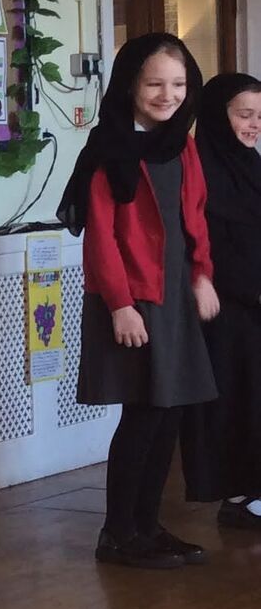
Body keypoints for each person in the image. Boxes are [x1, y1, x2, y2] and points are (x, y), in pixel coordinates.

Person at [59, 31, 219, 568]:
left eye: (178, 84)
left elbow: (195, 219)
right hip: (133, 299)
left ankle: (148, 526)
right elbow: (102, 239)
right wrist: (120, 304)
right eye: (154, 84)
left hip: (176, 296)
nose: (167, 95)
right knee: (144, 413)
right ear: (130, 85)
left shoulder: (183, 146)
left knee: (171, 411)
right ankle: (118, 533)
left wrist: (203, 275)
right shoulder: (110, 149)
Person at [180, 73, 261, 529]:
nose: (254, 126)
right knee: (235, 402)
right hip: (225, 308)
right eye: (245, 115)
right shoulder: (199, 170)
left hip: (253, 306)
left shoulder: (251, 165)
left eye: (260, 117)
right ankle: (238, 496)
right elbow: (206, 245)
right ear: (217, 116)